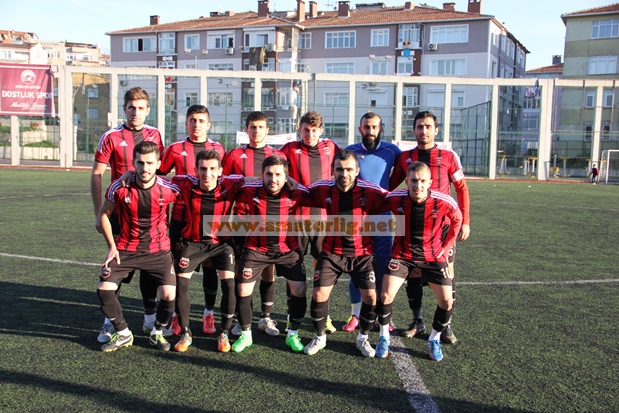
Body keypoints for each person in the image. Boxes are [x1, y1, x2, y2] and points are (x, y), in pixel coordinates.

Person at [90, 87, 165, 344]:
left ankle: (149, 317)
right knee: (116, 264)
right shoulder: (111, 136)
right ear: (125, 109)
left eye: (141, 108)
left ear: (148, 110)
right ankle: (109, 322)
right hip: (119, 212)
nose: (136, 112)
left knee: (149, 265)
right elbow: (97, 174)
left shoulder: (155, 134)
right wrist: (98, 213)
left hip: (148, 211)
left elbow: (158, 172)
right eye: (131, 107)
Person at [389, 110, 470, 344]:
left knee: (447, 273)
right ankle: (417, 321)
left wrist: (465, 221)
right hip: (410, 225)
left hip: (441, 228)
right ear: (413, 130)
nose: (423, 130)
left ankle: (446, 325)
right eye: (419, 126)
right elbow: (390, 186)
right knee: (413, 273)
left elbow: (462, 188)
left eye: (428, 126)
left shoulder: (448, 156)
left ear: (436, 130)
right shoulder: (405, 157)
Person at [304, 150, 389, 357]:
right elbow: (299, 192)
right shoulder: (323, 188)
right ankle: (320, 336)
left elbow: (396, 199)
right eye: (340, 169)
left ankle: (363, 338)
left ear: (357, 170)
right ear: (332, 171)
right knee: (319, 294)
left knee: (371, 297)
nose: (344, 174)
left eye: (349, 169)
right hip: (332, 253)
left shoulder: (370, 190)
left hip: (361, 254)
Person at [374, 161, 462, 361]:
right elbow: (373, 205)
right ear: (407, 181)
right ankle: (383, 336)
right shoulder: (395, 198)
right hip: (402, 254)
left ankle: (434, 338)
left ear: (430, 182)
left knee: (447, 301)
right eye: (413, 180)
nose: (418, 185)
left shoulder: (443, 201)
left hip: (433, 256)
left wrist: (446, 247)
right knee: (385, 295)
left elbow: (457, 219)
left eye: (422, 181)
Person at [97, 141, 180, 352]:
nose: (145, 168)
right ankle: (123, 333)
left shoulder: (170, 189)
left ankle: (157, 332)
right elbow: (104, 215)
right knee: (104, 290)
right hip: (126, 248)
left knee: (169, 295)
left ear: (158, 164)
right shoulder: (119, 187)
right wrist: (112, 246)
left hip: (158, 250)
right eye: (140, 163)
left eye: (150, 163)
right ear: (133, 163)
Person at [230, 155, 318, 353]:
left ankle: (292, 334)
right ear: (262, 175)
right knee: (243, 290)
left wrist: (296, 183)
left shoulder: (296, 192)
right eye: (269, 174)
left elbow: (319, 196)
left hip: (287, 249)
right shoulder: (250, 189)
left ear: (286, 176)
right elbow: (226, 185)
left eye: (278, 174)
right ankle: (246, 334)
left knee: (299, 289)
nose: (273, 179)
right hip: (256, 248)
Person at [158, 105, 227, 337]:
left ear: (208, 124)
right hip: (181, 216)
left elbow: (225, 179)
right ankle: (177, 317)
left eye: (201, 120)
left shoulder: (218, 149)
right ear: (186, 123)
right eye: (192, 120)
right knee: (178, 267)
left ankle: (208, 313)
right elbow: (160, 175)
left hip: (210, 215)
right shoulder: (175, 148)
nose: (196, 125)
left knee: (210, 265)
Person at [171, 150, 244, 353]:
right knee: (180, 284)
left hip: (221, 243)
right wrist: (128, 175)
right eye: (203, 168)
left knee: (230, 285)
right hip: (193, 242)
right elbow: (157, 180)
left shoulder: (230, 184)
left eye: (212, 169)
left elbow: (255, 181)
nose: (207, 174)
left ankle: (224, 333)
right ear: (195, 170)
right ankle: (186, 331)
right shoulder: (185, 183)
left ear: (220, 170)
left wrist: (288, 179)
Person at [222, 111, 287, 337]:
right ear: (246, 129)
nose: (256, 131)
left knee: (268, 268)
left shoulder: (277, 155)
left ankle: (266, 318)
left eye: (260, 127)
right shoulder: (234, 154)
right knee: (242, 270)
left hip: (269, 220)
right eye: (252, 127)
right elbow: (224, 184)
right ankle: (242, 319)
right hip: (242, 220)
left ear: (267, 130)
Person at [279, 110, 341, 333]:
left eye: (314, 130)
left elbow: (344, 167)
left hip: (323, 220)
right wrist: (287, 178)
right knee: (294, 270)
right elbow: (274, 167)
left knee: (323, 271)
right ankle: (291, 315)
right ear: (300, 129)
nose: (310, 134)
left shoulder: (331, 147)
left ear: (321, 131)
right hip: (296, 220)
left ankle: (324, 315)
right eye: (306, 130)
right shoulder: (289, 149)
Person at [343, 112, 401, 333]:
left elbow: (404, 171)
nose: (370, 131)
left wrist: (387, 190)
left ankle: (381, 315)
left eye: (374, 127)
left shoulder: (392, 151)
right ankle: (356, 315)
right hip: (355, 220)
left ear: (381, 129)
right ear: (360, 129)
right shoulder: (350, 151)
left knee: (382, 267)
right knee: (356, 267)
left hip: (382, 219)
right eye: (366, 127)